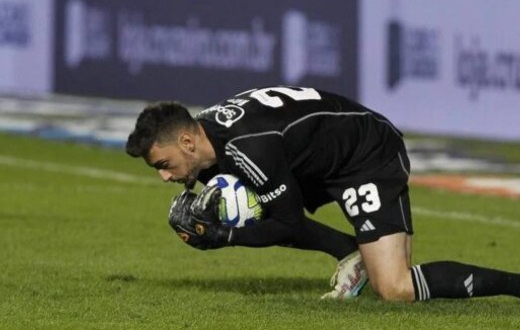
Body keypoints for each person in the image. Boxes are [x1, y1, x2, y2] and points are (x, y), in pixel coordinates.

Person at [126, 86, 520, 301]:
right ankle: (355, 252)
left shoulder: (250, 146)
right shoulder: (210, 134)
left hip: (366, 154)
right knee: (255, 204)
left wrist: (223, 237)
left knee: (395, 288)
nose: (164, 177)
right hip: (319, 157)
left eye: (164, 164)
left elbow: (288, 222)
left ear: (186, 142)